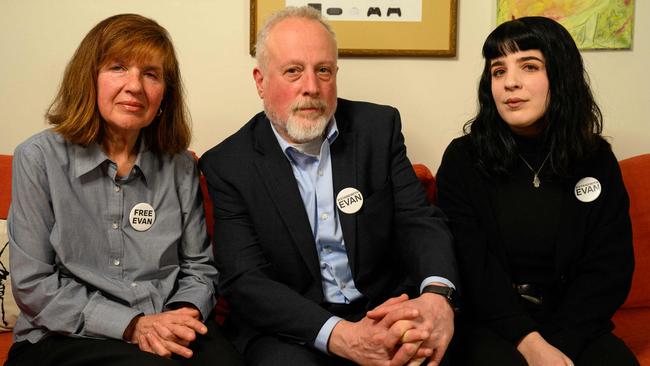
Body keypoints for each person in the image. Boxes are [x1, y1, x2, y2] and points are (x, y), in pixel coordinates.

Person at [199, 6, 458, 366]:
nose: (311, 87)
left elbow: (420, 221)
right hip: (292, 331)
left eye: (323, 70)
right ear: (260, 81)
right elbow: (246, 280)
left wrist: (436, 296)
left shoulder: (377, 129)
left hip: (386, 310)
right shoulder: (228, 164)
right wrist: (343, 336)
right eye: (293, 71)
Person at [6, 14, 243, 366]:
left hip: (166, 319)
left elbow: (199, 268)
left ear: (165, 95)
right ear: (89, 79)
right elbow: (34, 285)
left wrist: (181, 315)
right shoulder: (38, 158)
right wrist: (133, 326)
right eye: (118, 67)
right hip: (64, 334)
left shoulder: (179, 164)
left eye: (150, 74)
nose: (135, 86)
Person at [436, 16, 638, 366]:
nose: (510, 83)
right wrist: (529, 343)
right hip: (490, 324)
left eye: (529, 66)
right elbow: (472, 265)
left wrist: (561, 345)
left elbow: (610, 268)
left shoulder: (596, 160)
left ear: (561, 76)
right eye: (498, 71)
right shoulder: (463, 159)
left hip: (574, 325)